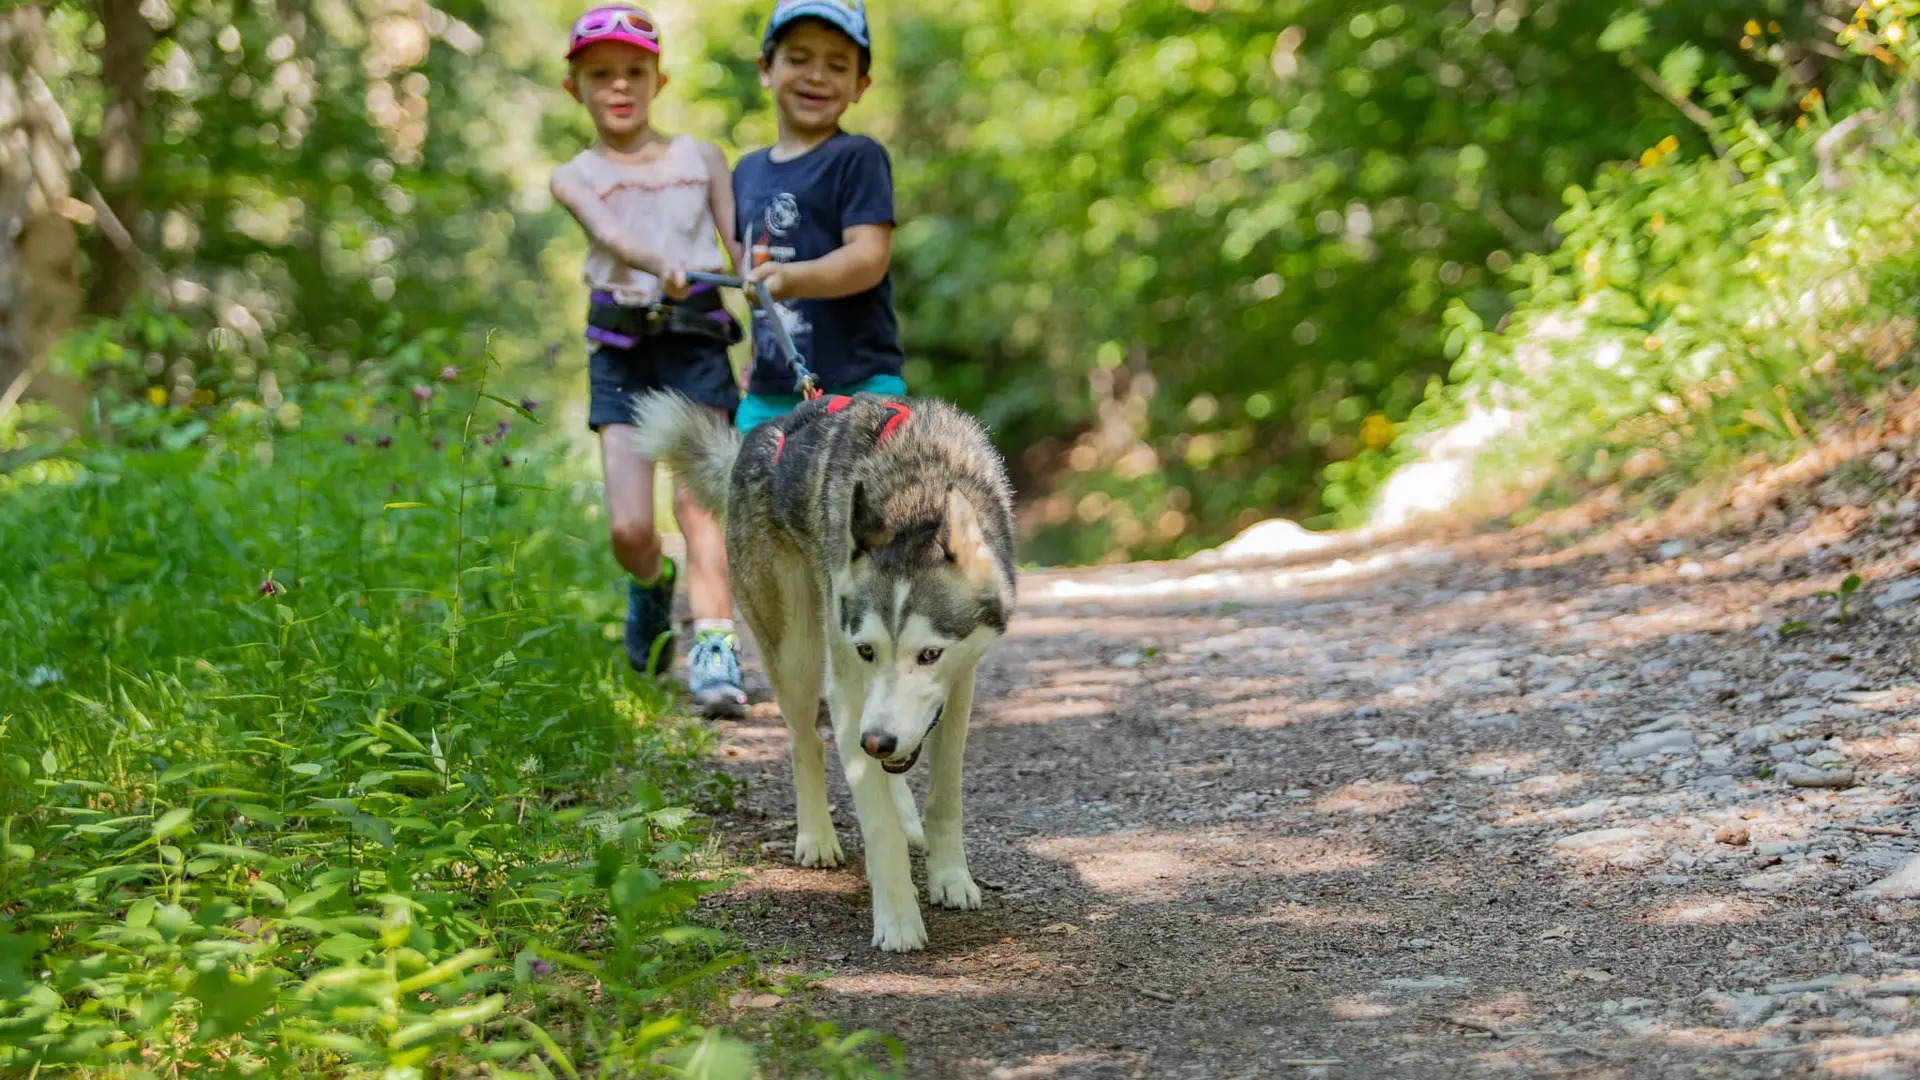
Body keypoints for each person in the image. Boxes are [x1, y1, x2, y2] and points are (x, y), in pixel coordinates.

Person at [550, 4, 747, 717]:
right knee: (629, 527)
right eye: (601, 74)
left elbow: (739, 249)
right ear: (575, 87)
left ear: (659, 80)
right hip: (621, 352)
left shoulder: (702, 159)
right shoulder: (574, 174)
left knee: (700, 505)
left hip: (697, 343)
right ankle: (650, 586)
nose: (619, 86)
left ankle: (716, 651)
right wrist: (660, 261)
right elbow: (608, 232)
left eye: (635, 71)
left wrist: (765, 299)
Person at [730, 0, 905, 434]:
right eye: (799, 58)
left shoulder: (858, 157)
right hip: (769, 394)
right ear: (765, 68)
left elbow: (869, 257)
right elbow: (746, 266)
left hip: (859, 390)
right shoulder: (745, 172)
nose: (817, 75)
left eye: (837, 65)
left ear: (860, 84)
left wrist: (792, 279)